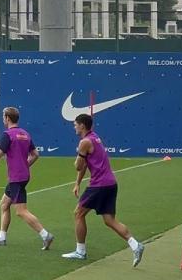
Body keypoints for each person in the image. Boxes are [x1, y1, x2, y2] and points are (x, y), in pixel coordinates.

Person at [62, 113, 145, 267]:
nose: (74, 126)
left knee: (78, 213)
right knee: (109, 220)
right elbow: (86, 164)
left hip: (99, 184)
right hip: (110, 183)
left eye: (75, 124)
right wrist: (77, 183)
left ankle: (80, 251)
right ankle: (135, 245)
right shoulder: (94, 138)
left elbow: (79, 165)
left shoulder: (84, 142)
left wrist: (77, 158)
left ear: (82, 125)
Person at [0, 107, 54, 249]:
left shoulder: (7, 135)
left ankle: (45, 235)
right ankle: (1, 237)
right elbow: (36, 154)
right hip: (23, 175)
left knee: (21, 211)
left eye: (4, 117)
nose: (3, 119)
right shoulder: (25, 134)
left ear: (8, 118)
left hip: (16, 177)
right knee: (4, 204)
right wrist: (25, 165)